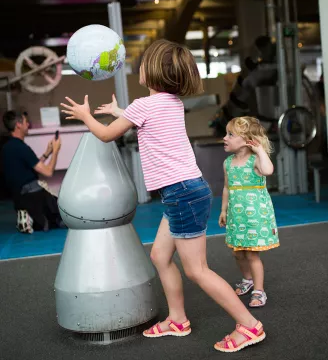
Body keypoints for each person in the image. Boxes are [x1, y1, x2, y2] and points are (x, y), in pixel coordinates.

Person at [60, 39, 266, 353]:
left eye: (142, 63)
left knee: (197, 270)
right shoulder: (170, 103)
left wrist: (85, 115)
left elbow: (104, 135)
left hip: (181, 193)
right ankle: (178, 320)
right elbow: (144, 121)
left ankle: (249, 326)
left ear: (153, 71)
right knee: (159, 255)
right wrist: (121, 111)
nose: (138, 67)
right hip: (184, 191)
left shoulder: (144, 106)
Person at [219, 116, 279, 308]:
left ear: (246, 139)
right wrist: (223, 210)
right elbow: (227, 188)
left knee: (252, 254)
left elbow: (268, 170)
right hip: (237, 216)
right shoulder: (228, 163)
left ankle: (259, 291)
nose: (224, 138)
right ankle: (247, 279)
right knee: (238, 252)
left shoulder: (255, 161)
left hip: (255, 214)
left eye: (230, 134)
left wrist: (260, 150)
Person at [1, 110, 62, 232]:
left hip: (19, 198)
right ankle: (34, 218)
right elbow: (48, 172)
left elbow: (31, 165)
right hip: (33, 197)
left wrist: (47, 152)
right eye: (26, 122)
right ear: (18, 125)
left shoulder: (8, 147)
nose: (28, 125)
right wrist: (56, 151)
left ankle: (29, 215)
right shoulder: (22, 148)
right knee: (64, 214)